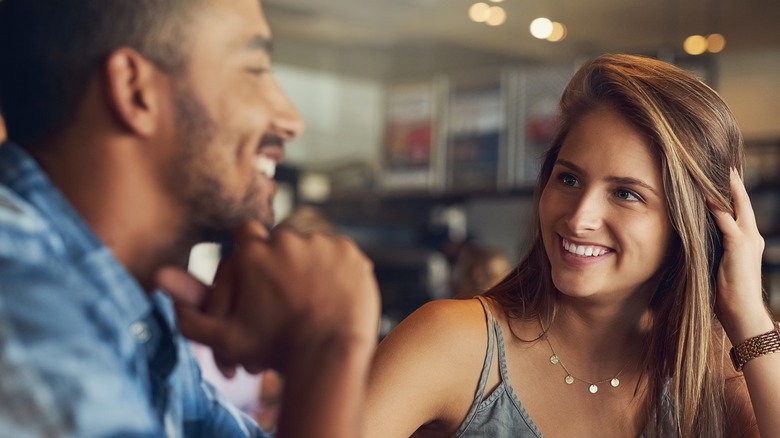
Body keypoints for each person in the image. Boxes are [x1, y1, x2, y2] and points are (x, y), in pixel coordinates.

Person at [0, 1, 380, 437]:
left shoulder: (134, 302)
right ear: (134, 90)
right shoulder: (19, 301)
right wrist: (325, 344)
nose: (291, 120)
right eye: (255, 69)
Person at [364, 54, 778, 437]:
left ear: (692, 224)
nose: (580, 218)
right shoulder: (453, 341)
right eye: (569, 179)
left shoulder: (716, 366)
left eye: (626, 194)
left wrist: (747, 315)